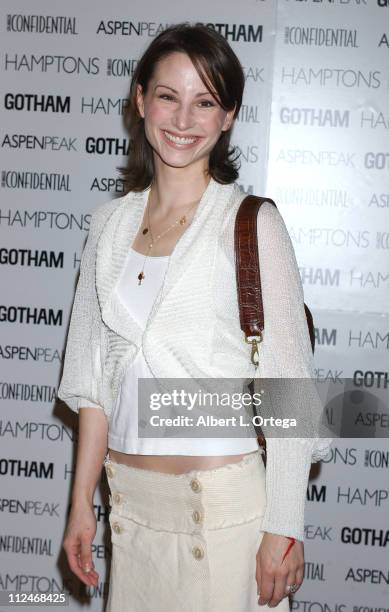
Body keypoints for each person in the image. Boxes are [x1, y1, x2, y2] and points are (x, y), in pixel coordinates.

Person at [58, 23, 332, 611]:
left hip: (227, 519)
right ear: (139, 99)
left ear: (228, 116)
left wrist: (284, 528)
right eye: (167, 96)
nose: (183, 120)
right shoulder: (106, 227)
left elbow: (293, 398)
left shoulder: (252, 225)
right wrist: (82, 503)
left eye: (205, 101)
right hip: (131, 518)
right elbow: (92, 388)